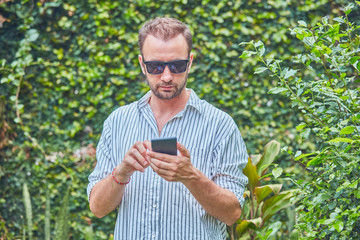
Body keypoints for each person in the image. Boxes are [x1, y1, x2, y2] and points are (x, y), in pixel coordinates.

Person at [87, 17, 248, 240]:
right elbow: (97, 208)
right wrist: (122, 172)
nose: (166, 76)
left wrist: (191, 177)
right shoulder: (118, 122)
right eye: (155, 66)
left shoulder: (220, 125)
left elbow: (232, 214)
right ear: (142, 64)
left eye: (176, 66)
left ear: (190, 62)